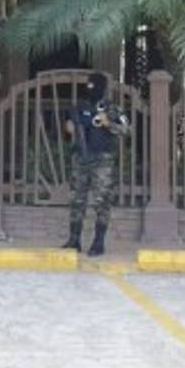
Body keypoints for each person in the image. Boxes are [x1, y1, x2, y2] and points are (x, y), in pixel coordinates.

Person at [62, 72, 131, 257]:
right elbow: (68, 128)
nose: (91, 88)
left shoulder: (111, 108)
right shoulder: (79, 107)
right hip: (80, 159)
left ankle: (98, 242)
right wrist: (71, 127)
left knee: (102, 202)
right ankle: (74, 239)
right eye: (89, 85)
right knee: (77, 200)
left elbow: (125, 129)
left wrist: (107, 122)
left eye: (95, 85)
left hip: (103, 161)